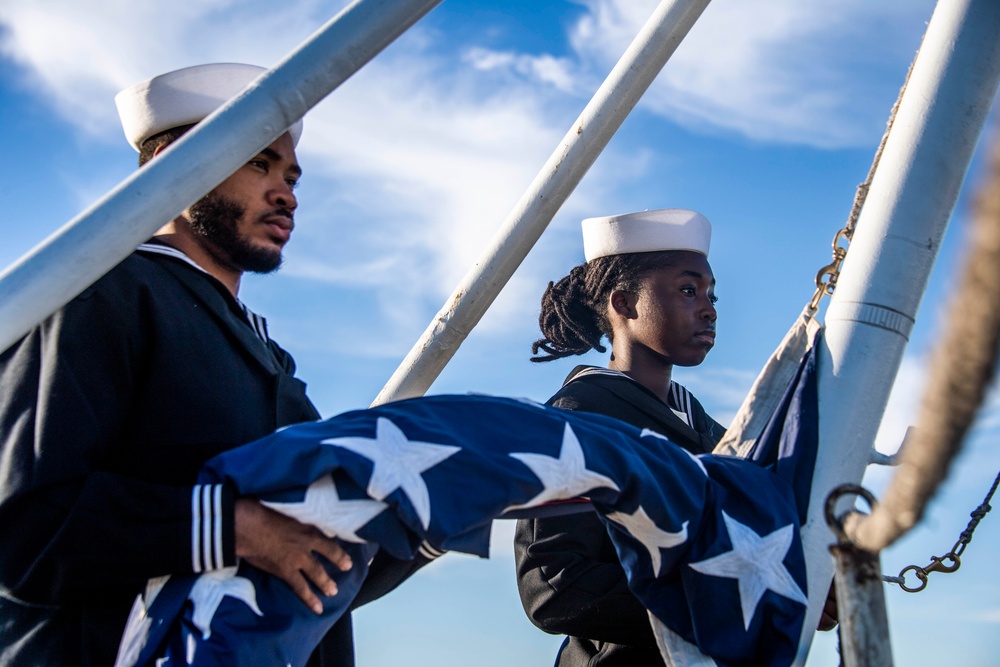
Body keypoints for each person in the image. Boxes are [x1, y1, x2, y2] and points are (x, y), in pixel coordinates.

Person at [0, 63, 432, 667]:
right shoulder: (98, 294)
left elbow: (310, 571)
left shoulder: (266, 353)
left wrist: (432, 514)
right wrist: (233, 527)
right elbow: (25, 528)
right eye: (258, 163)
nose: (286, 192)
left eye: (290, 174)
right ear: (168, 167)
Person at [514, 208, 725, 666]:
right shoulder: (576, 421)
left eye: (711, 293)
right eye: (688, 290)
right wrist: (712, 611)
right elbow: (554, 585)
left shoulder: (714, 435)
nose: (708, 309)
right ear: (624, 304)